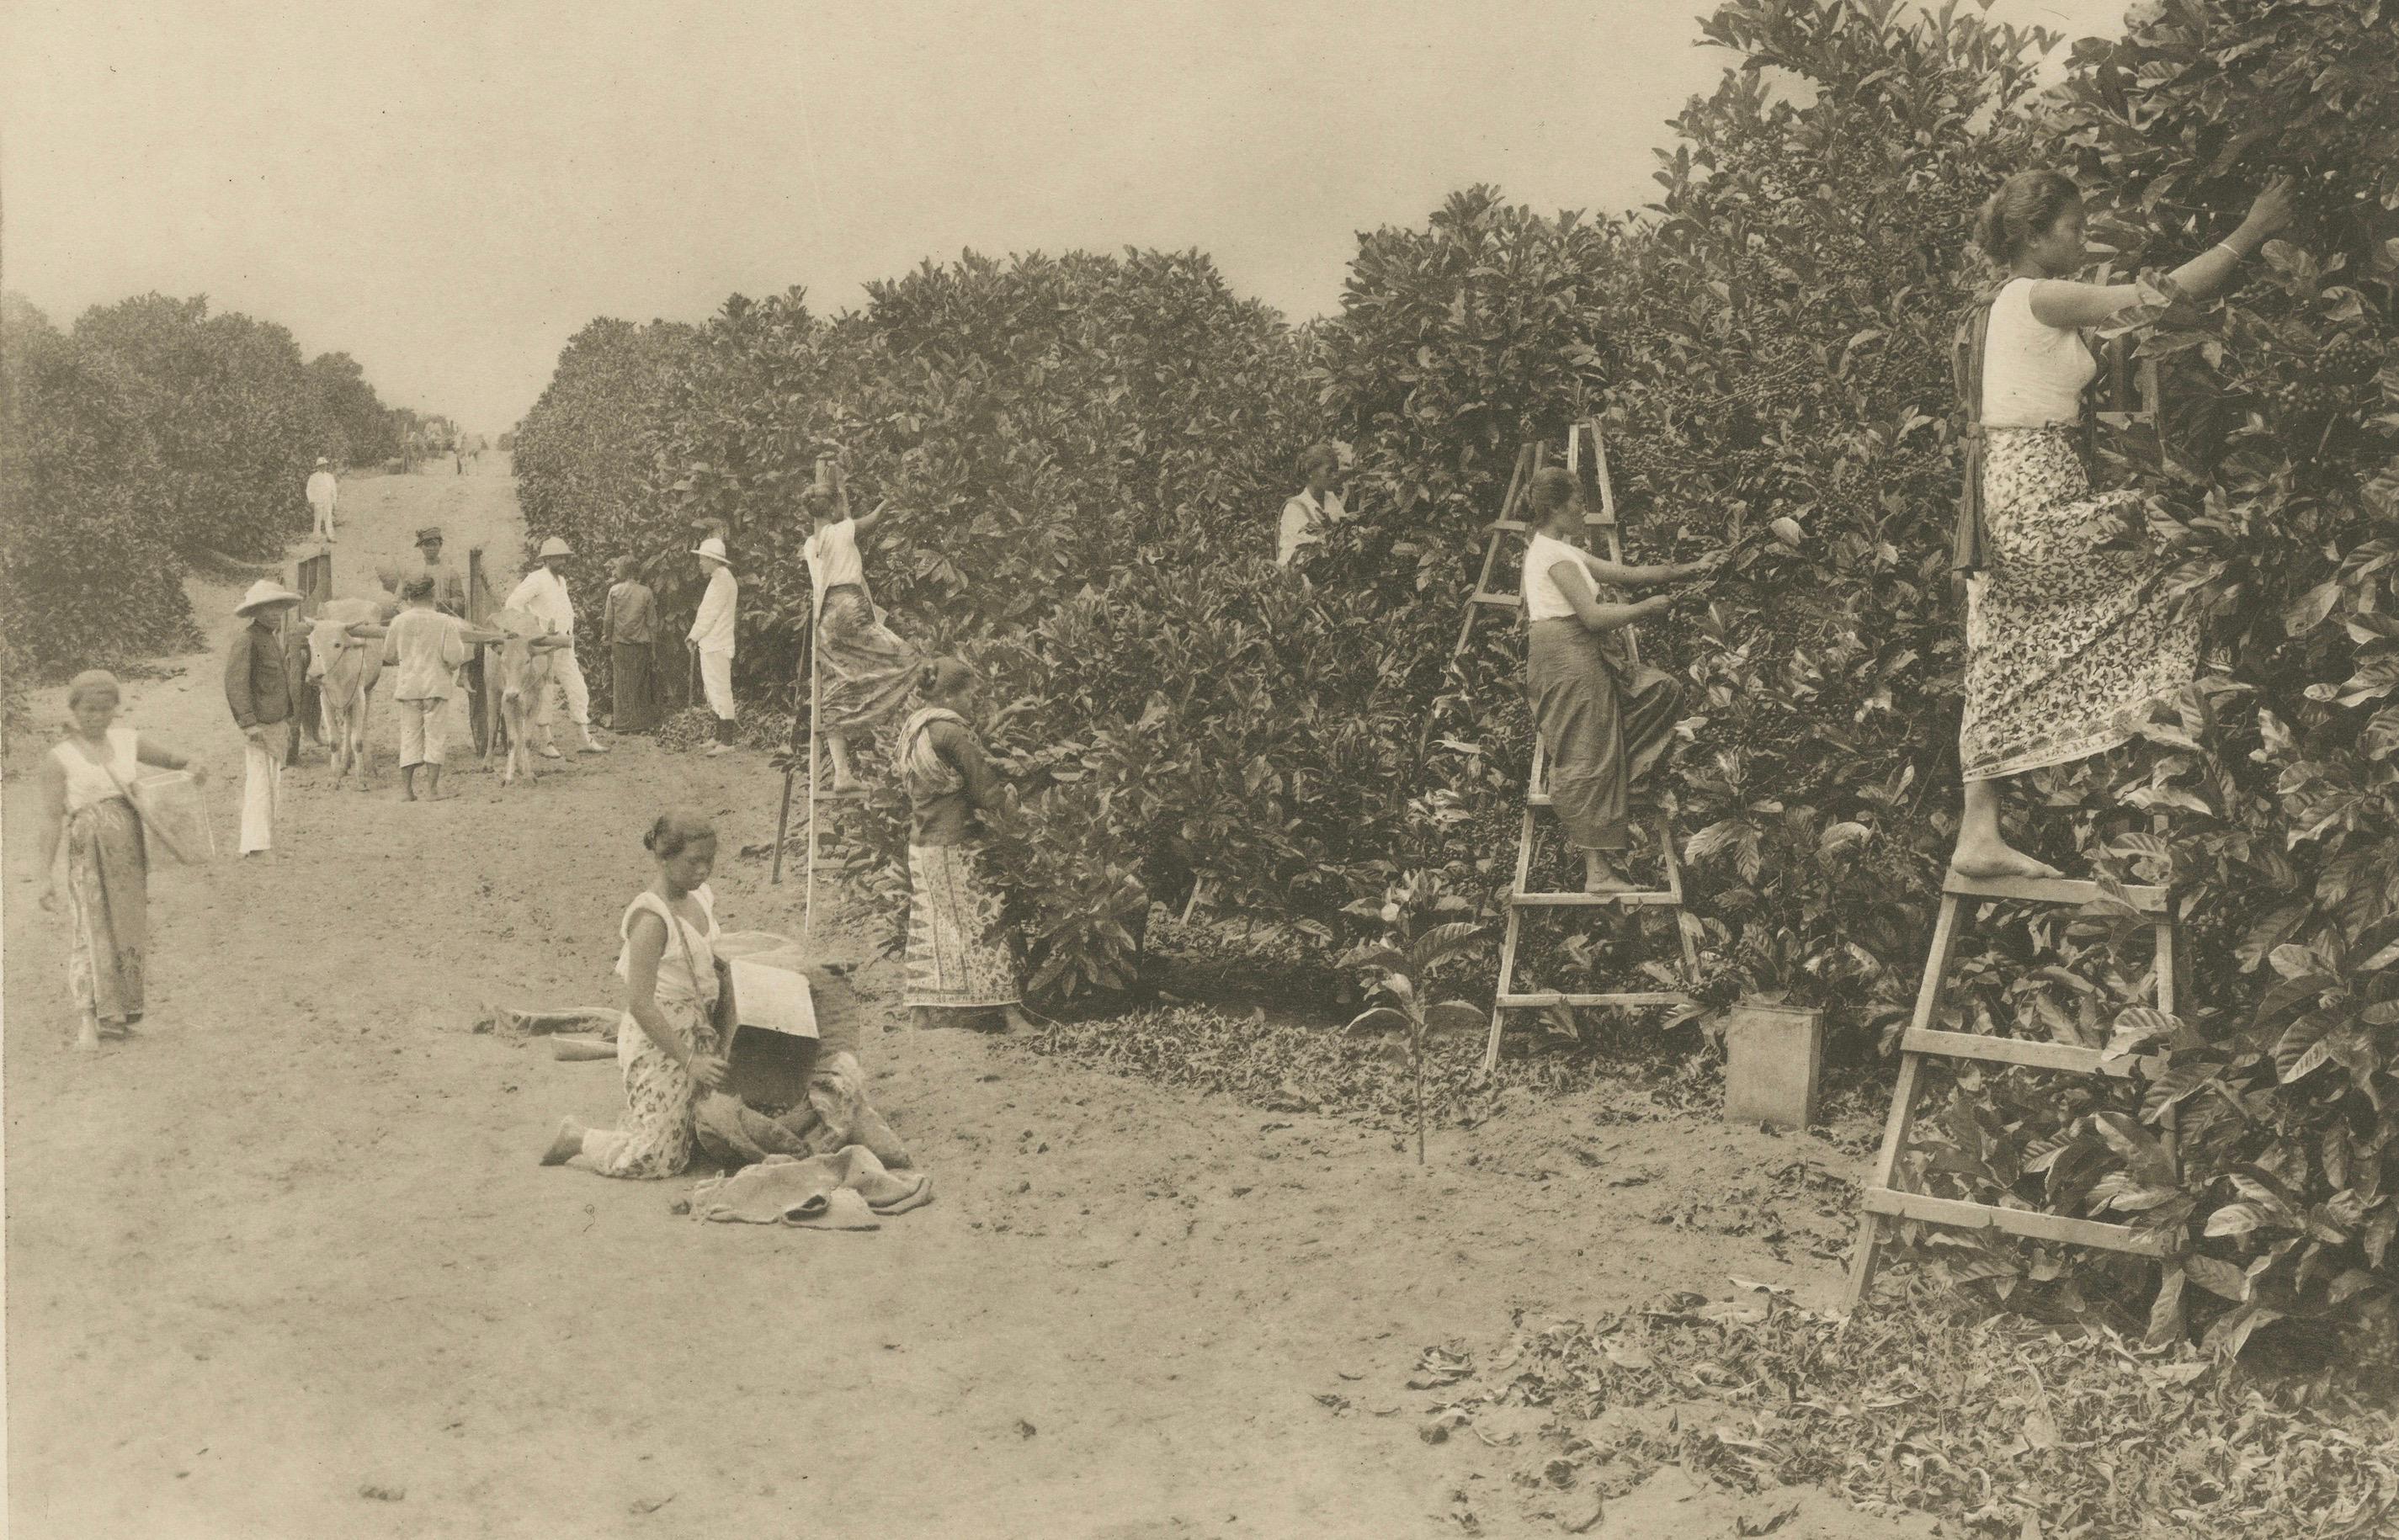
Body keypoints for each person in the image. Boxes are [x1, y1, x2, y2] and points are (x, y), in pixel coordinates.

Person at [1950, 171, 2297, 878]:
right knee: (2179, 537)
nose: (2083, 240)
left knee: (2002, 639)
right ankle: (2183, 740)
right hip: (2032, 492)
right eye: (2073, 229)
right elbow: (2156, 299)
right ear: (2033, 234)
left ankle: (1977, 830)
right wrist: (2252, 231)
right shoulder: (2039, 295)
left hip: (2006, 498)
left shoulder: (2000, 305)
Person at [1521, 466, 1718, 894]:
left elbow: (1625, 574)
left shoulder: (1561, 550)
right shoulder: (1549, 554)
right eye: (1577, 503)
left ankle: (1622, 775)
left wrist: (1690, 569)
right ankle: (1597, 873)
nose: (1583, 511)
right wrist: (1648, 608)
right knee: (1586, 751)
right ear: (1554, 508)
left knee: (1658, 692)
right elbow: (1593, 618)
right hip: (1566, 657)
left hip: (1581, 655)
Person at [540, 810, 733, 1177]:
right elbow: (640, 1004)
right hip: (661, 1040)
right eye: (693, 861)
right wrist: (690, 1061)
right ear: (663, 857)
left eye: (710, 860)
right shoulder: (652, 919)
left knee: (713, 1136)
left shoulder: (700, 897)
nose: (703, 870)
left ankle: (653, 1118)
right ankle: (578, 1137)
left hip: (702, 1029)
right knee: (658, 1159)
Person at [35, 672, 206, 1052]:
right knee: (89, 930)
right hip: (87, 853)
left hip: (129, 851)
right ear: (74, 709)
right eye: (87, 709)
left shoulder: (129, 741)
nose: (94, 716)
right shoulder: (58, 758)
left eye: (103, 708)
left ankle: (118, 1015)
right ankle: (87, 1021)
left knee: (127, 928)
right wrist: (45, 875)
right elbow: (51, 819)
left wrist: (194, 766)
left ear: (116, 709)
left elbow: (178, 759)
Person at [898, 659, 1033, 1033]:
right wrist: (1012, 798)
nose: (975, 702)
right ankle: (1008, 1013)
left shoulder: (917, 728)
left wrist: (1005, 714)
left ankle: (922, 1013)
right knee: (984, 920)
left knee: (931, 922)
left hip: (922, 846)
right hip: (956, 844)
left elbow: (963, 745)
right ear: (948, 696)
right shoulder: (953, 734)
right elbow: (985, 791)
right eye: (970, 695)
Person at [802, 483, 917, 794]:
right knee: (909, 661)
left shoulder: (811, 544)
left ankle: (842, 774)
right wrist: (888, 501)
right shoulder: (842, 531)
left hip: (825, 620)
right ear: (834, 508)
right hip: (849, 608)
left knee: (838, 687)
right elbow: (873, 519)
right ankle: (881, 717)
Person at [374, 576, 497, 801]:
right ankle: (432, 790)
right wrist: (450, 668)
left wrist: (407, 661)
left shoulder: (399, 622)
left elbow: (388, 655)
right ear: (433, 596)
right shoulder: (444, 622)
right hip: (435, 687)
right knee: (435, 737)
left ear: (410, 598)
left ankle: (407, 791)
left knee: (409, 737)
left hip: (408, 688)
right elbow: (455, 656)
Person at [503, 535, 609, 758]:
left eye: (565, 557)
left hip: (564, 645)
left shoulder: (561, 581)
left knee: (578, 687)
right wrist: (535, 627)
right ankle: (546, 741)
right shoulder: (536, 578)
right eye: (559, 558)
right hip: (544, 645)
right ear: (547, 559)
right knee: (546, 691)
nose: (564, 562)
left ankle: (585, 738)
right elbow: (513, 603)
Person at [225, 579, 306, 857]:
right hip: (260, 725)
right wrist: (248, 723)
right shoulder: (247, 641)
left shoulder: (269, 639)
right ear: (255, 612)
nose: (274, 614)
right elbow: (236, 684)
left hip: (275, 722)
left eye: (278, 609)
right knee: (259, 784)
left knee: (272, 784)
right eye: (268, 609)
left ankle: (265, 841)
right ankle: (254, 845)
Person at [687, 536, 739, 756]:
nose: (699, 563)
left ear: (712, 560)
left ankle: (727, 742)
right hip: (712, 643)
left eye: (703, 559)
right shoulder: (719, 578)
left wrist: (693, 636)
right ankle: (719, 736)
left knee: (720, 690)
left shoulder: (722, 581)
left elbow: (709, 615)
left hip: (717, 642)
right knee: (713, 690)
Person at [601, 555, 659, 734]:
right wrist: (654, 648)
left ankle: (622, 724)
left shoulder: (615, 591)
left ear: (624, 571)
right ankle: (639, 725)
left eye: (617, 568)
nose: (615, 571)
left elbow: (608, 619)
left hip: (619, 644)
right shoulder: (646, 592)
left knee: (621, 684)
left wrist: (606, 637)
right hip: (640, 645)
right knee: (640, 684)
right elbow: (652, 623)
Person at [1277, 443, 1351, 566]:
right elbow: (1302, 553)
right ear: (1310, 472)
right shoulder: (1295, 508)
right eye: (1329, 471)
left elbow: (1341, 531)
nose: (1335, 476)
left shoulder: (1331, 498)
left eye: (1336, 470)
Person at [306, 457, 338, 544]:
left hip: (328, 500)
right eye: (321, 466)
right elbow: (309, 489)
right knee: (318, 518)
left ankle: (330, 536)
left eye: (325, 465)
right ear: (318, 467)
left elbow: (334, 489)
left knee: (328, 518)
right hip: (318, 500)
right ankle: (316, 537)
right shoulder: (313, 477)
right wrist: (311, 501)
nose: (323, 467)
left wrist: (334, 501)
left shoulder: (330, 477)